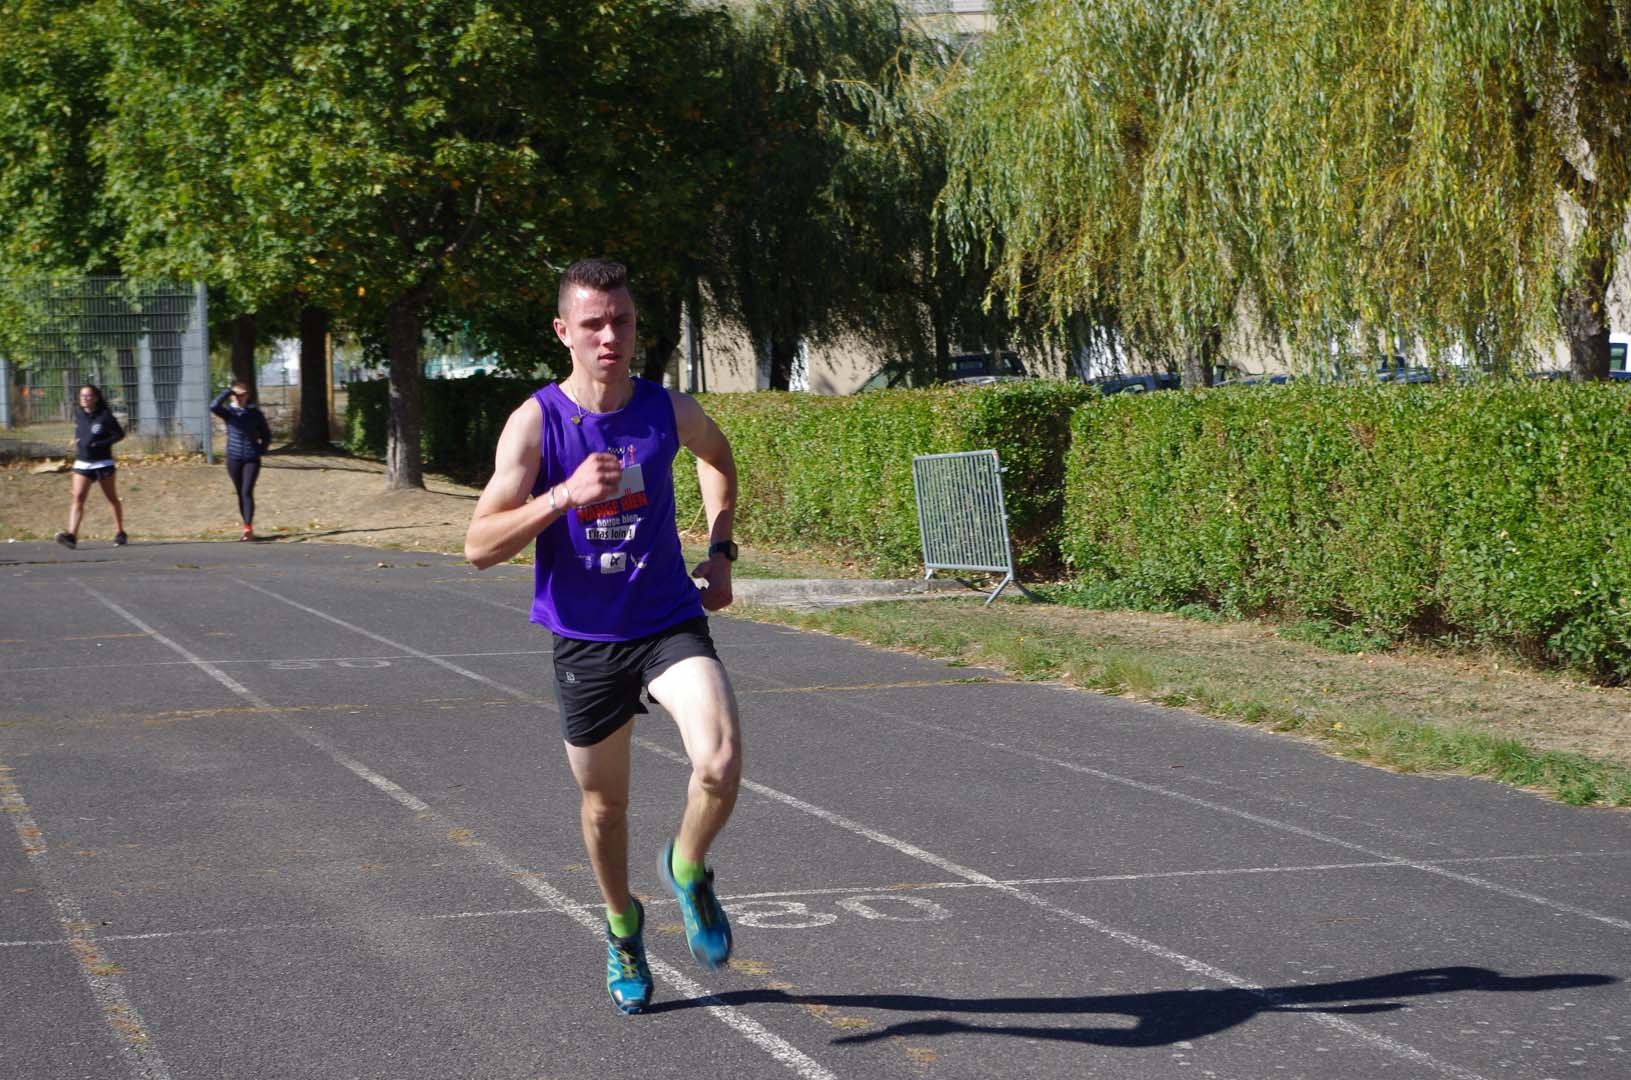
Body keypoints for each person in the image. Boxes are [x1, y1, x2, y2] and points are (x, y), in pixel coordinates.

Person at [464, 258, 742, 1015]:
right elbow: (479, 545)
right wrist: (563, 494)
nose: (609, 336)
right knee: (605, 808)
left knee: (717, 760)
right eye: (592, 324)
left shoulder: (664, 409)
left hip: (666, 619)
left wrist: (717, 553)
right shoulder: (536, 421)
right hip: (585, 639)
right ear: (564, 332)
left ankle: (687, 868)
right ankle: (623, 926)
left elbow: (719, 460)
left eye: (619, 321)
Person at [56, 383, 127, 549]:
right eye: (82, 396)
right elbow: (82, 429)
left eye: (88, 396)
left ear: (95, 398)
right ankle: (72, 535)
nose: (84, 398)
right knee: (78, 497)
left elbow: (119, 434)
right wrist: (79, 440)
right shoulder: (79, 413)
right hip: (83, 462)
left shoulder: (105, 416)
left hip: (103, 462)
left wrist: (101, 444)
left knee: (111, 498)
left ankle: (120, 532)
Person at [210, 380, 273, 540]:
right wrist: (228, 391)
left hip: (251, 458)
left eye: (242, 395)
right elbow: (213, 406)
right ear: (231, 397)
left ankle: (248, 528)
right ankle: (246, 526)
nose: (239, 398)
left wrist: (261, 449)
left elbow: (266, 435)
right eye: (235, 395)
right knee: (240, 492)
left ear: (247, 395)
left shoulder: (255, 413)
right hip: (234, 457)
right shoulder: (228, 413)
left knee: (246, 491)